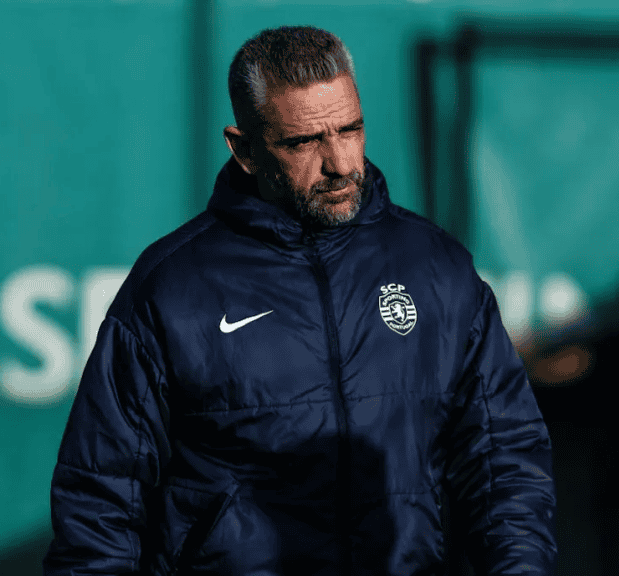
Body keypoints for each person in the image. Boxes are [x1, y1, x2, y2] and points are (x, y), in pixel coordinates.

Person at [43, 25, 557, 576]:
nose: (339, 163)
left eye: (350, 129)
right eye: (304, 142)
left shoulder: (435, 266)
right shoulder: (172, 288)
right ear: (244, 149)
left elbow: (504, 459)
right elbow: (102, 498)